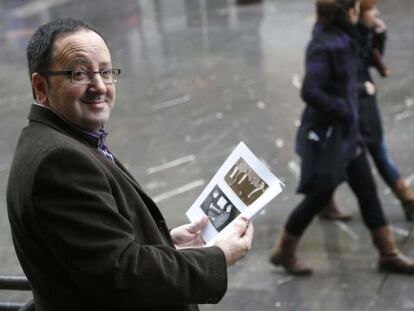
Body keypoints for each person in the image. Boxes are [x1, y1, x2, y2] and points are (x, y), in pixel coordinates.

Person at [6, 18, 254, 311]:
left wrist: (165, 244)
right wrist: (219, 256)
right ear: (41, 86)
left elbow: (95, 253)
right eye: (80, 73)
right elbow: (123, 276)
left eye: (106, 71)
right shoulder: (59, 161)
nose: (99, 86)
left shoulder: (63, 139)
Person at [269, 0, 414, 275]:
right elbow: (310, 90)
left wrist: (377, 32)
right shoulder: (325, 45)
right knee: (316, 198)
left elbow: (363, 53)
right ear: (347, 13)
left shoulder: (342, 36)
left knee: (368, 192)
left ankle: (388, 254)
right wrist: (345, 109)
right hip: (331, 140)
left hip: (349, 136)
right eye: (356, 9)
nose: (358, 14)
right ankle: (284, 251)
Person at [320, 0, 414, 222]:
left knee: (370, 155)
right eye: (371, 10)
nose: (377, 12)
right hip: (354, 110)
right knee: (356, 161)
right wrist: (362, 88)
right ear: (357, 14)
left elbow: (371, 58)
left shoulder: (357, 34)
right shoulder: (342, 42)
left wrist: (379, 35)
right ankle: (407, 201)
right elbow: (331, 83)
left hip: (364, 108)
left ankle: (407, 201)